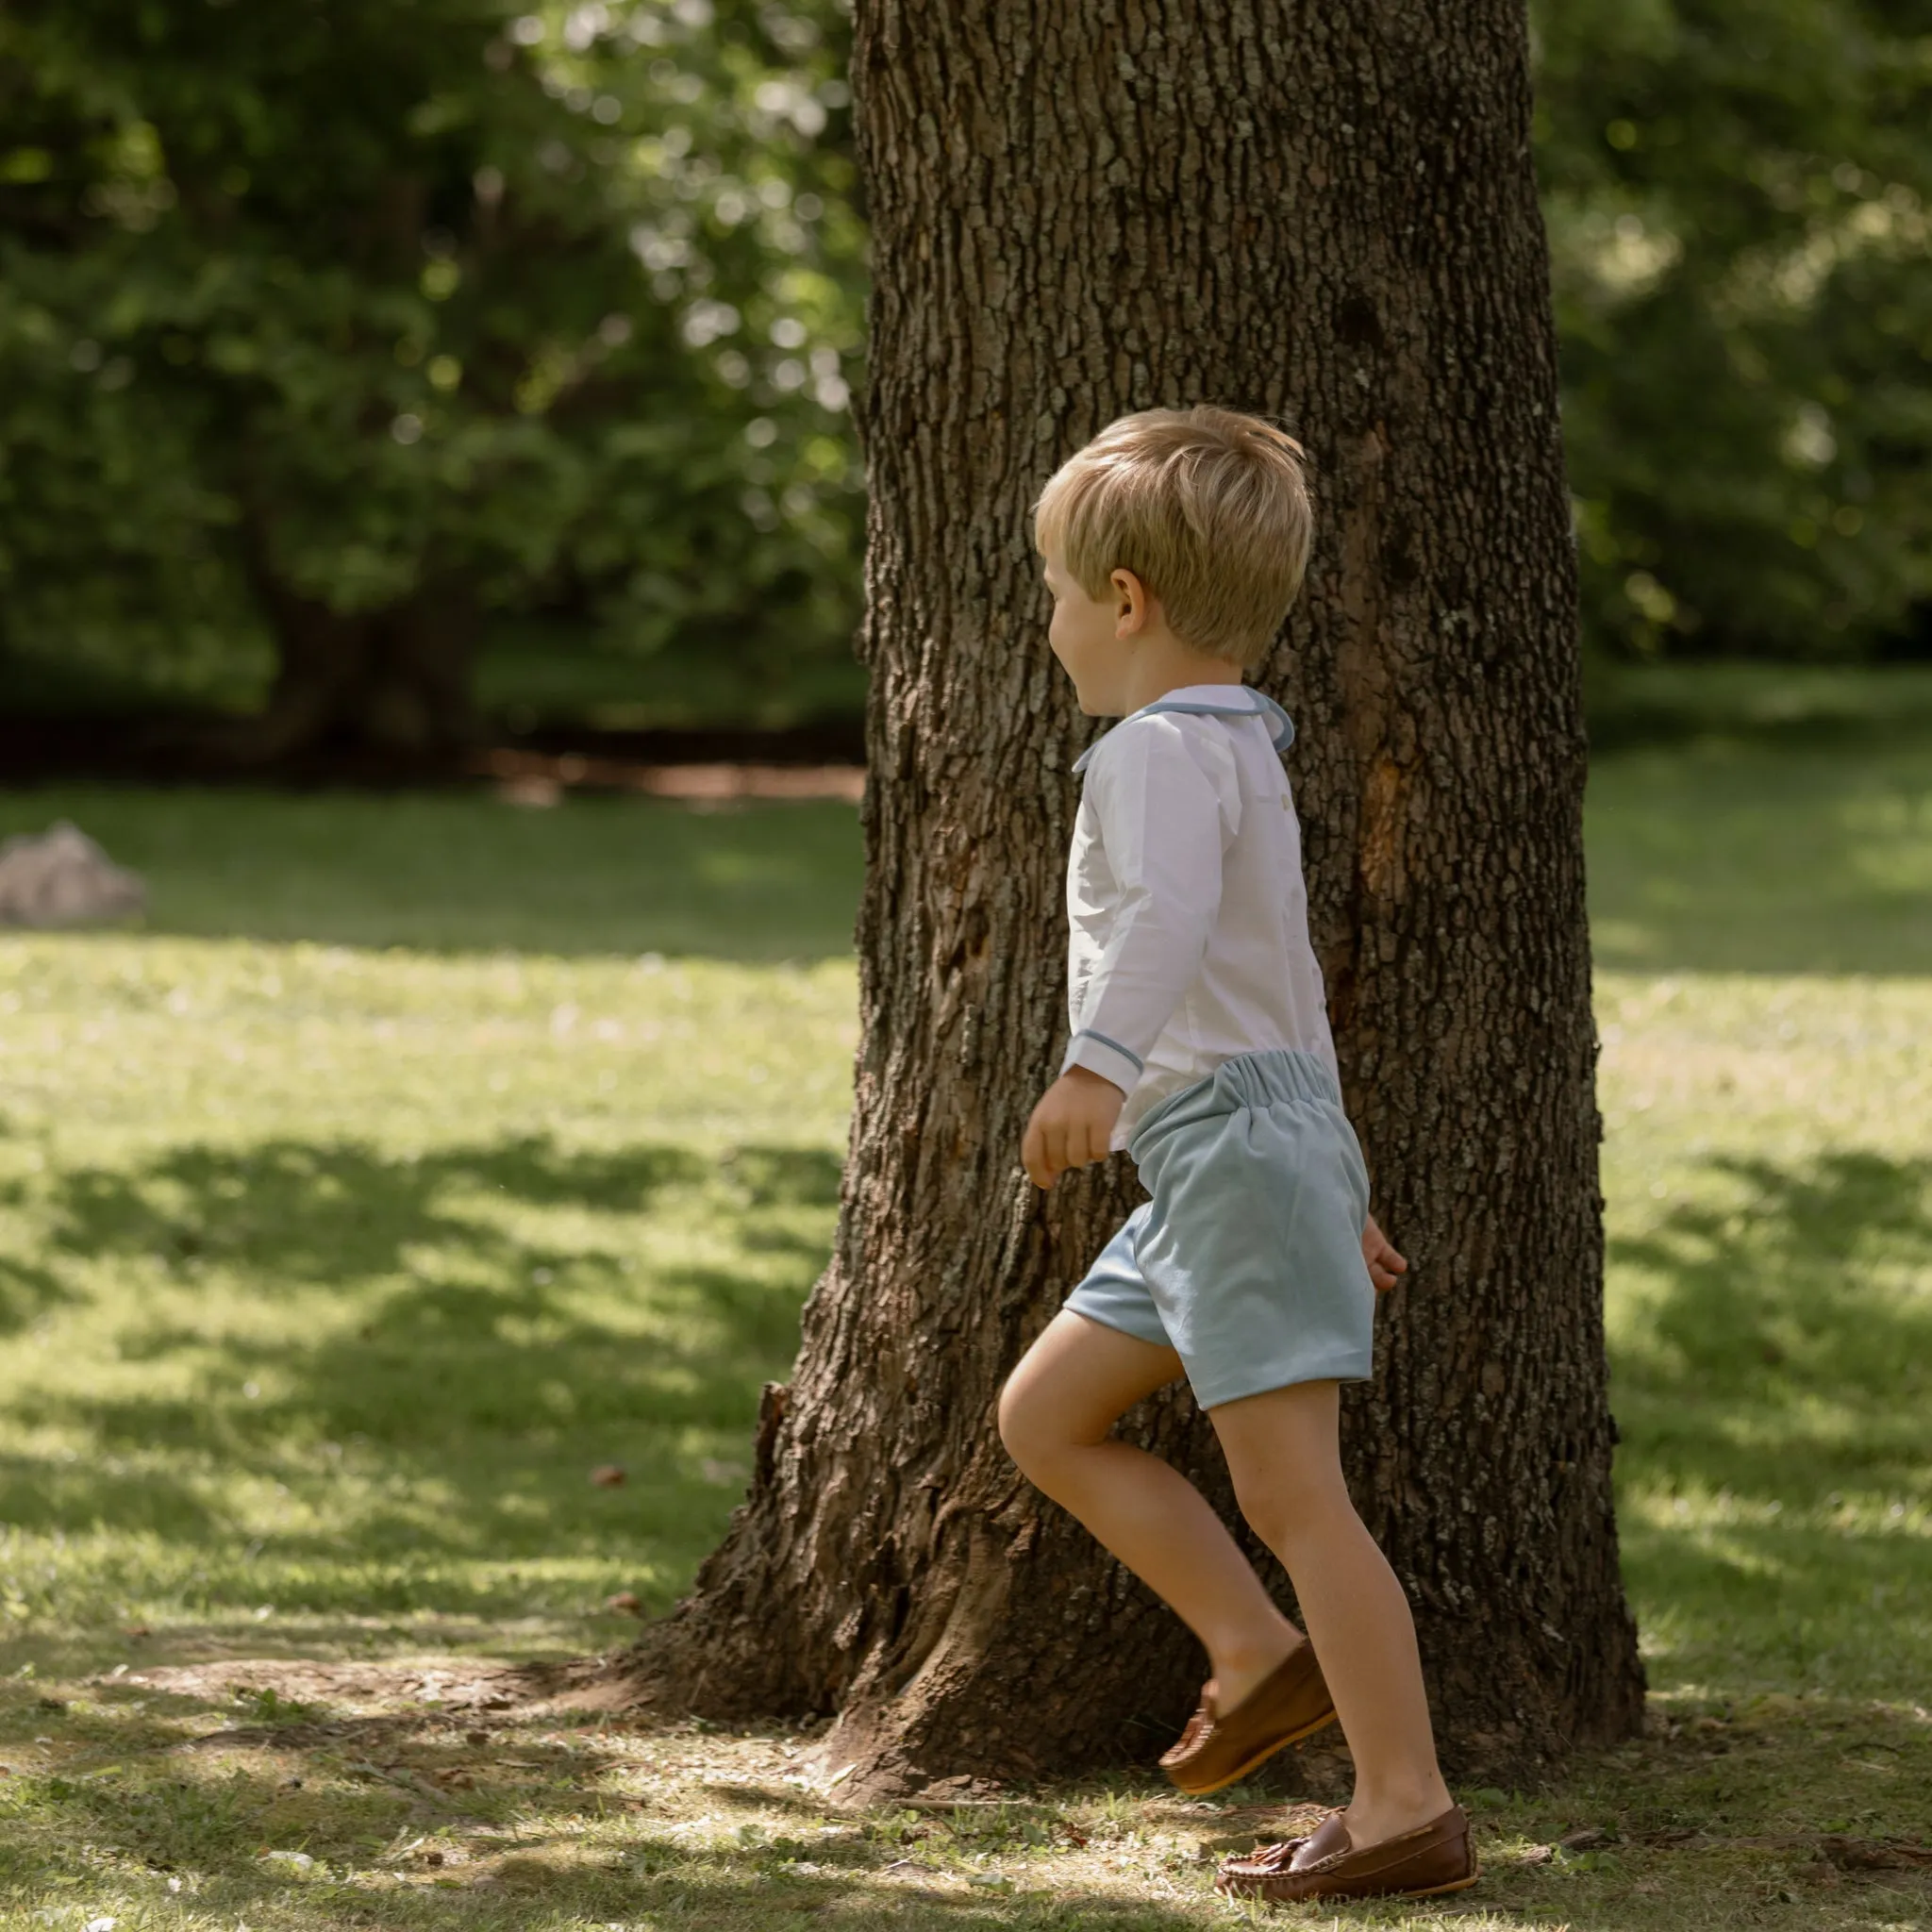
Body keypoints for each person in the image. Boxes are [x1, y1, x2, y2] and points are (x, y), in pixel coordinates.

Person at [997, 406, 1478, 1906]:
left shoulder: (1150, 755)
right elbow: (1283, 985)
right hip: (1234, 1160)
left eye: (1059, 593)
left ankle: (1404, 1804)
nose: (1054, 622)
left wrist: (1094, 1067)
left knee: (1296, 1497)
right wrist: (1341, 1181)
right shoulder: (1237, 747)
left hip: (1224, 1157)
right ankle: (1256, 1650)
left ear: (1124, 602)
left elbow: (1174, 929)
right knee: (1047, 1415)